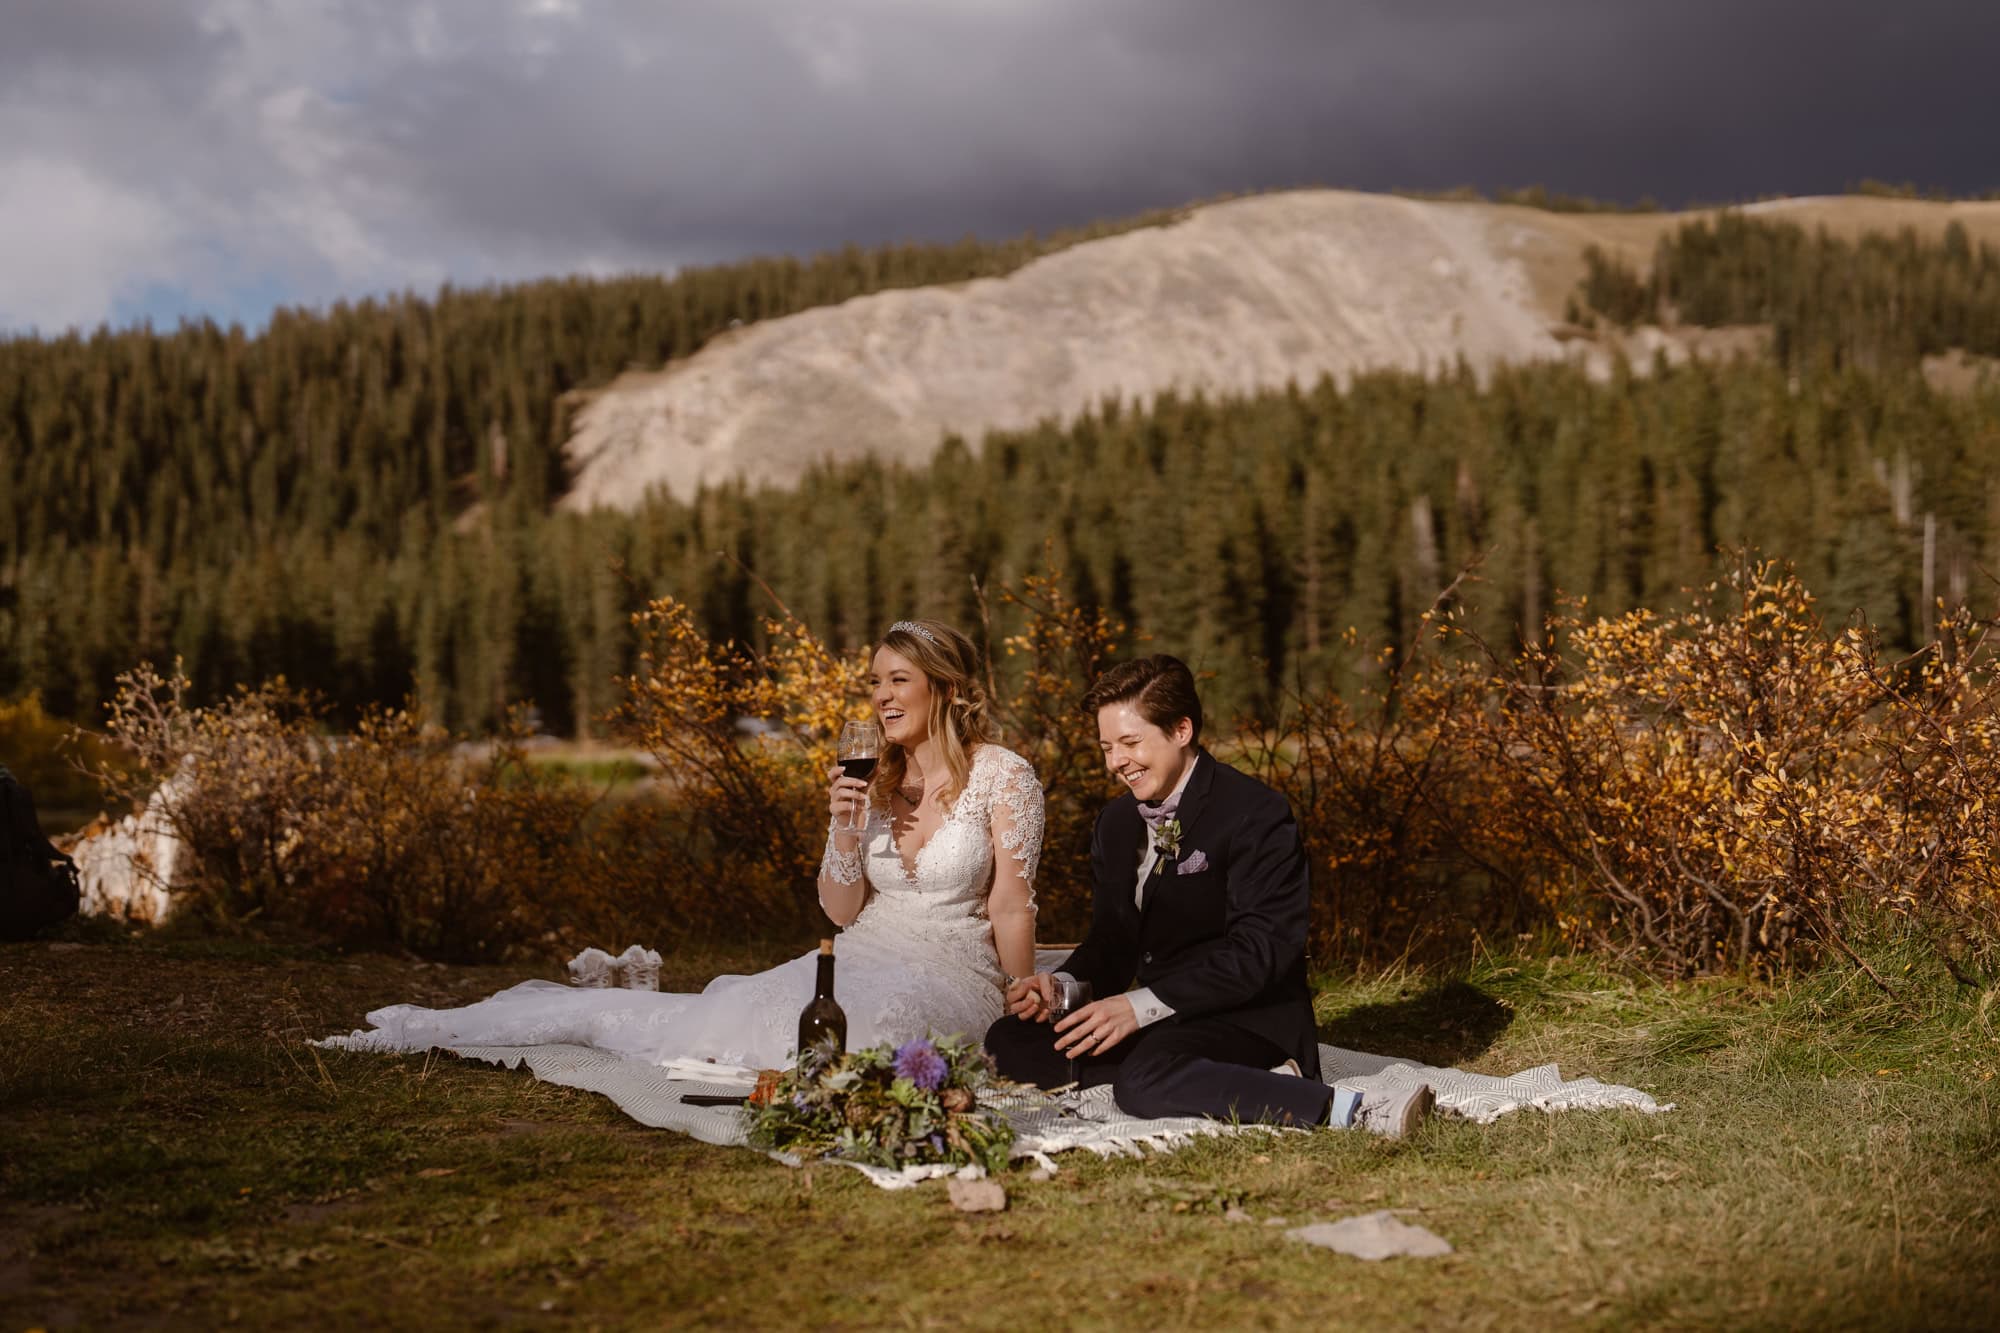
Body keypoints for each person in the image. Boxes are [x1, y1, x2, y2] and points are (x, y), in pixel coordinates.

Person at [323, 620, 1044, 1070]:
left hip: (952, 968)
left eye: (899, 680)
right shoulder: (873, 777)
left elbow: (1011, 905)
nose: (881, 696)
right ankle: (490, 1022)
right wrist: (843, 828)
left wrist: (1020, 996)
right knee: (747, 1012)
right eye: (875, 682)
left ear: (945, 688)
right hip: (861, 953)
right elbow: (841, 912)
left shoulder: (1003, 775)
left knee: (868, 1042)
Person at [984, 654, 1433, 1137]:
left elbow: (1261, 952)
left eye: (1130, 743)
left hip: (1246, 1018)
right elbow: (1112, 941)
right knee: (1010, 1043)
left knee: (1142, 1082)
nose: (1116, 762)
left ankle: (1346, 1108)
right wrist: (1065, 986)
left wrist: (1139, 1006)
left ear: (1181, 730)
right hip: (1162, 1020)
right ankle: (1219, 1081)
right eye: (1107, 747)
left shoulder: (1256, 812)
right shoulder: (1114, 823)